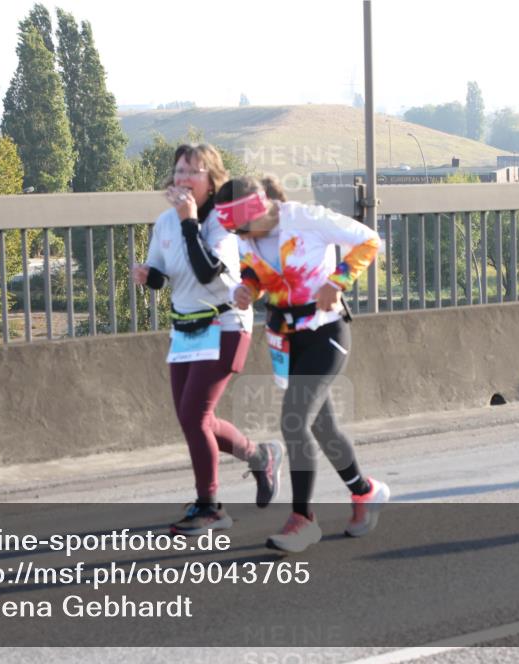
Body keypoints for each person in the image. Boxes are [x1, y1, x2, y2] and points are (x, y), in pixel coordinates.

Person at [217, 175, 390, 553]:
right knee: (323, 428)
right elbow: (255, 274)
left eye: (242, 229)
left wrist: (337, 281)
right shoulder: (247, 238)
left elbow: (369, 240)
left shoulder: (306, 219)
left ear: (258, 210)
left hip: (326, 334)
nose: (240, 237)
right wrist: (248, 290)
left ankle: (303, 519)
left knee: (293, 420)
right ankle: (365, 492)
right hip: (286, 339)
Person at [132, 145, 283, 536]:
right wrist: (148, 275)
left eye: (193, 172)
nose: (183, 179)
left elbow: (206, 272)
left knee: (195, 417)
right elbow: (163, 277)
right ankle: (260, 456)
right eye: (179, 171)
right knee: (194, 418)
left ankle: (211, 506)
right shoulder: (166, 221)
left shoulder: (221, 220)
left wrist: (189, 221)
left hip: (225, 324)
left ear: (212, 180)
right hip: (186, 327)